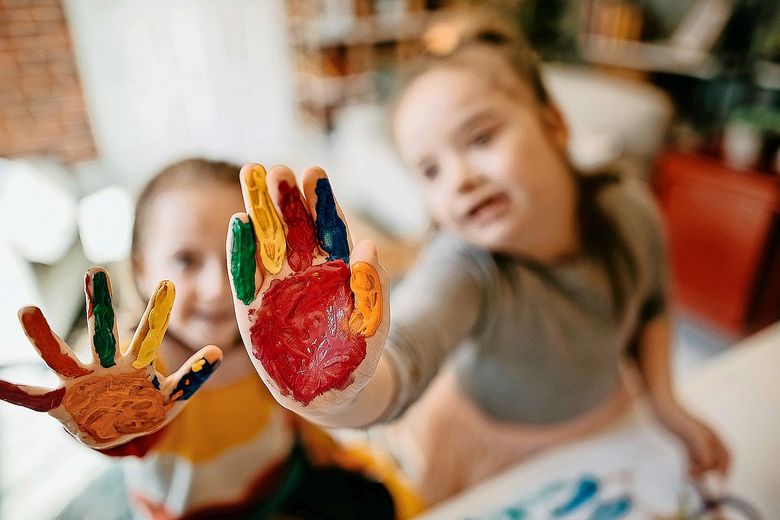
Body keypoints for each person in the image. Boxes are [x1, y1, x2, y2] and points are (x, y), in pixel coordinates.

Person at [226, 7, 730, 506]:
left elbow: (652, 307)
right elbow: (404, 357)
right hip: (490, 448)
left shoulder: (629, 207)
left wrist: (666, 400)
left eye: (481, 138)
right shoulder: (465, 265)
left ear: (554, 125)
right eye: (430, 170)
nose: (460, 179)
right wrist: (337, 391)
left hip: (601, 418)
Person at [0, 158, 420, 519]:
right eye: (186, 260)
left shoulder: (267, 337)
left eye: (234, 255)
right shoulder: (140, 367)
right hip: (193, 514)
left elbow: (293, 412)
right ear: (142, 268)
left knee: (378, 502)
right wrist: (109, 426)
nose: (217, 288)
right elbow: (126, 434)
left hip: (281, 476)